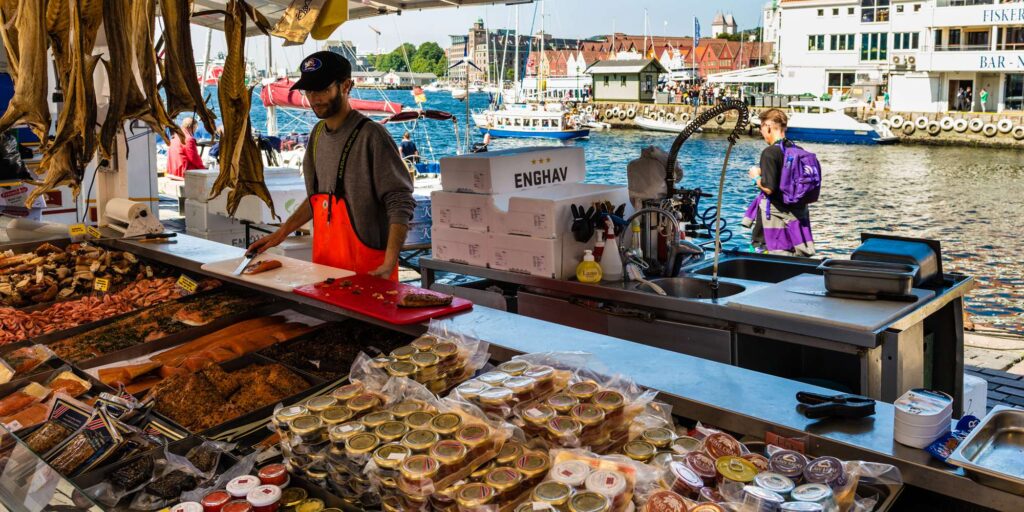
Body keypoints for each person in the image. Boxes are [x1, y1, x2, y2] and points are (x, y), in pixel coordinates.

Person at [247, 51, 415, 280]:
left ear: (346, 86)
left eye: (323, 89)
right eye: (309, 90)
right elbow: (317, 200)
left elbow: (400, 201)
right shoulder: (316, 136)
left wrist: (389, 263)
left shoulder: (372, 136)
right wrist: (280, 234)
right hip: (325, 270)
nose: (314, 98)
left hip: (370, 273)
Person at [743, 109, 816, 256]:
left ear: (768, 127)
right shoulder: (798, 150)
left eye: (761, 127)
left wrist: (756, 176)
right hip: (794, 222)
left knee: (764, 266)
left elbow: (769, 188)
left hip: (771, 227)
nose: (761, 131)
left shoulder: (769, 152)